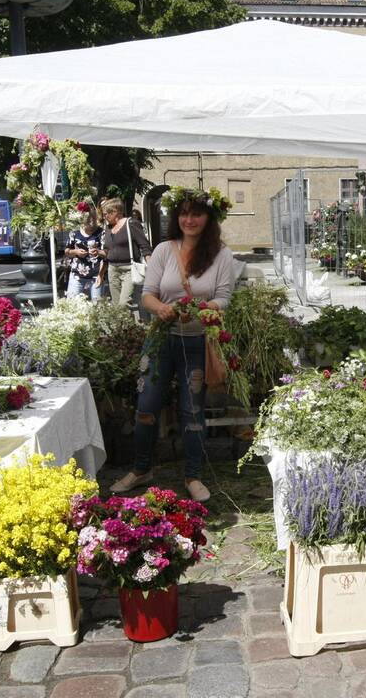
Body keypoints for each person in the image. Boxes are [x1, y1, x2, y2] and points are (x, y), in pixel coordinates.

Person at [109, 187, 237, 502]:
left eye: (196, 213)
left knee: (192, 411)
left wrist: (209, 308)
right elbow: (148, 294)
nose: (189, 219)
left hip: (197, 342)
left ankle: (193, 475)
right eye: (183, 213)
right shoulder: (165, 250)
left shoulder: (221, 255)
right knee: (146, 406)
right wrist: (161, 308)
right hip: (161, 338)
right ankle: (142, 469)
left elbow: (224, 297)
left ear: (209, 218)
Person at [101, 197, 152, 308]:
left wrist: (152, 266)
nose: (104, 217)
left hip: (129, 269)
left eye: (106, 214)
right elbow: (107, 249)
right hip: (112, 269)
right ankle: (125, 325)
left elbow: (144, 246)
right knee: (116, 306)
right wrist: (98, 252)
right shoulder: (108, 228)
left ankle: (129, 324)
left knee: (123, 304)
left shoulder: (131, 223)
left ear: (115, 212)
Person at [63, 205, 105, 300]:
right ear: (82, 219)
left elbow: (106, 254)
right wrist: (76, 251)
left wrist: (98, 252)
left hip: (96, 275)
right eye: (89, 219)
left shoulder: (101, 233)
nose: (92, 222)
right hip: (77, 275)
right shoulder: (74, 232)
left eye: (93, 219)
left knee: (97, 306)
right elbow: (67, 251)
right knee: (72, 303)